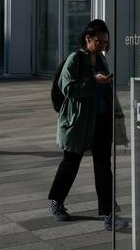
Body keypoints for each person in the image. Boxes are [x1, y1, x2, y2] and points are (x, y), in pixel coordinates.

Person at [47, 19, 127, 230]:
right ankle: (56, 201)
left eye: (105, 42)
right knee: (70, 163)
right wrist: (94, 81)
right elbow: (68, 89)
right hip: (78, 122)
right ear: (87, 39)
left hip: (101, 119)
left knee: (103, 166)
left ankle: (109, 214)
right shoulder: (75, 59)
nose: (103, 46)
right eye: (99, 42)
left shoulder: (101, 59)